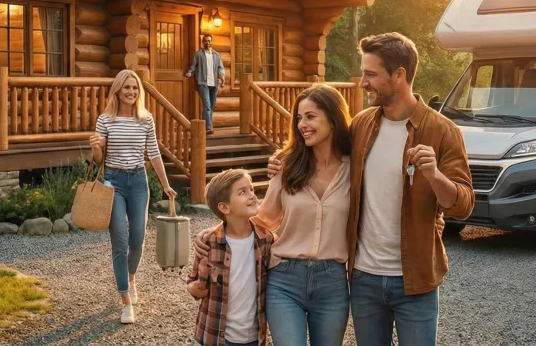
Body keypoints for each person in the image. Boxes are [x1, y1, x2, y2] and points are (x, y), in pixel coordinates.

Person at [268, 33, 473, 346]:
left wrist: (434, 177)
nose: (363, 82)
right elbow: (323, 147)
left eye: (370, 74)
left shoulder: (442, 131)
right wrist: (283, 161)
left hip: (416, 281)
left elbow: (463, 206)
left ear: (399, 76)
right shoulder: (361, 126)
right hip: (363, 278)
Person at [199, 84, 355, 346]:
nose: (302, 124)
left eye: (310, 116)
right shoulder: (288, 164)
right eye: (299, 118)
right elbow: (264, 218)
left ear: (333, 117)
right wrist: (216, 233)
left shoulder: (354, 170)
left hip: (333, 282)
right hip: (285, 278)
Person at [89, 69, 178, 325]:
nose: (131, 92)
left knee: (138, 238)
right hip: (113, 183)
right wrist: (95, 146)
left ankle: (131, 277)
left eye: (135, 88)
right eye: (126, 87)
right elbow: (98, 161)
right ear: (117, 90)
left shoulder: (146, 119)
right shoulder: (105, 119)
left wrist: (166, 185)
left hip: (139, 181)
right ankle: (126, 301)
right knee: (120, 241)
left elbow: (154, 153)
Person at [187, 169, 273, 346]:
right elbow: (193, 285)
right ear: (224, 207)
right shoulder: (208, 242)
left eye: (251, 190)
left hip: (254, 338)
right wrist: (198, 286)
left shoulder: (266, 240)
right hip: (215, 336)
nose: (252, 196)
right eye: (243, 192)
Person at [185, 34, 225, 134]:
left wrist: (222, 77)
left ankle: (204, 127)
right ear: (202, 42)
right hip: (203, 83)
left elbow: (221, 67)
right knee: (207, 106)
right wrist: (189, 72)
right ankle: (208, 128)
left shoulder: (216, 55)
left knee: (211, 106)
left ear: (212, 42)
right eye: (206, 41)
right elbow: (193, 66)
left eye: (209, 41)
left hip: (214, 83)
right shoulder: (198, 54)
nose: (207, 43)